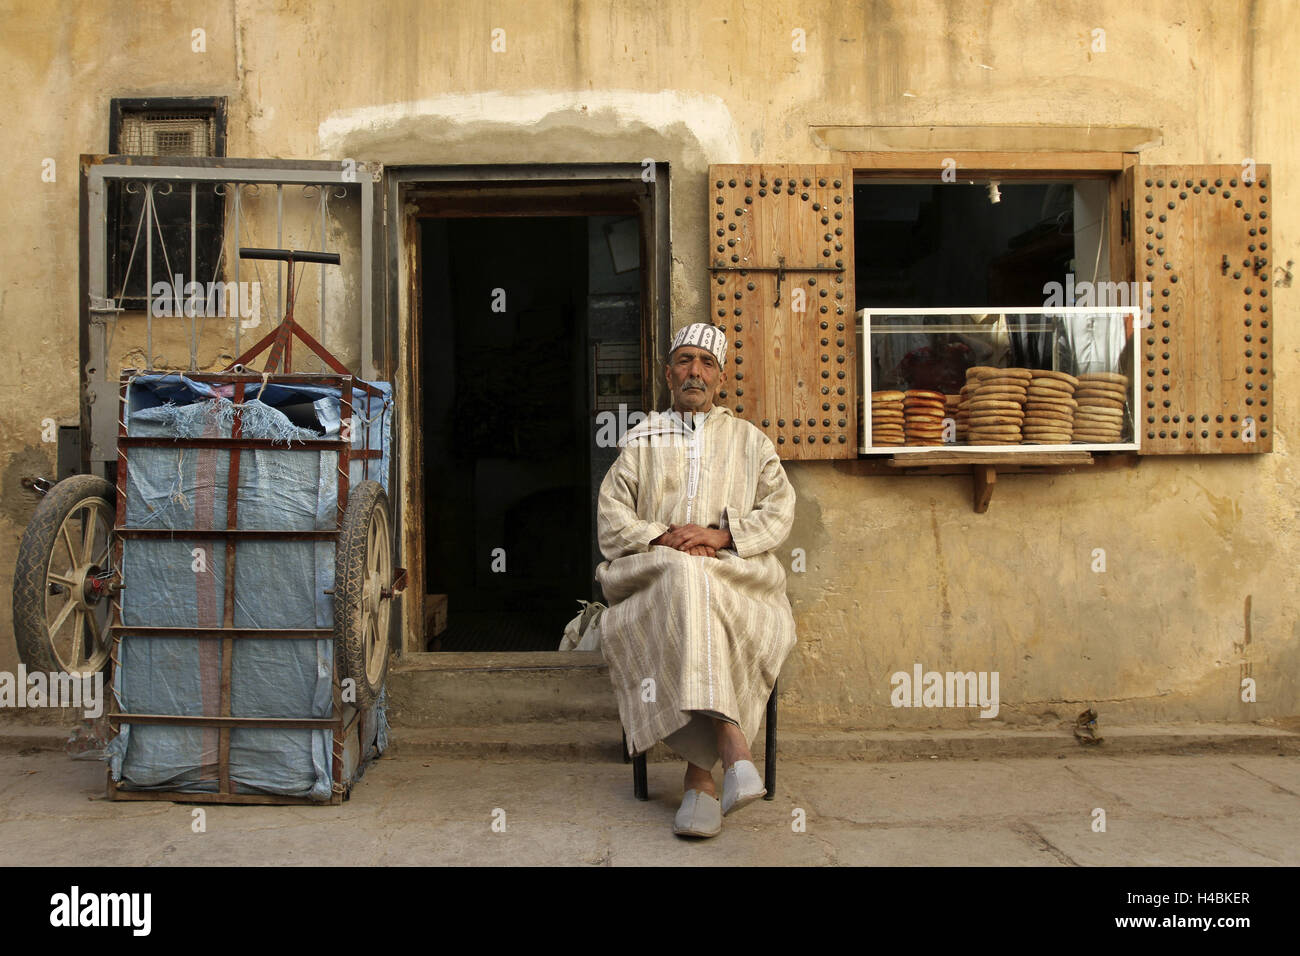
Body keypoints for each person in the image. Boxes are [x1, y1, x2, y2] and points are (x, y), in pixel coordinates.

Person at [594, 322, 797, 838]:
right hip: (652, 578)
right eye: (684, 361)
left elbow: (780, 511)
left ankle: (699, 779)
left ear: (721, 378)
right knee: (687, 575)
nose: (695, 373)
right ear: (668, 374)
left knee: (701, 586)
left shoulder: (751, 442)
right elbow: (611, 517)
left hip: (735, 579)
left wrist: (720, 536)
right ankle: (730, 748)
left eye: (706, 364)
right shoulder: (640, 441)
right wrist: (665, 537)